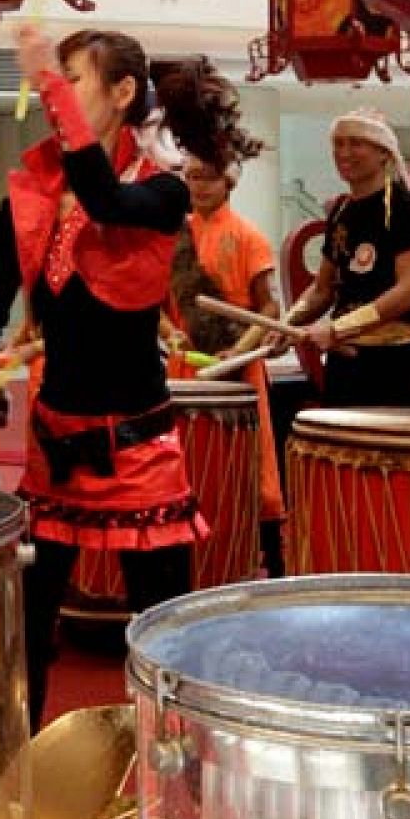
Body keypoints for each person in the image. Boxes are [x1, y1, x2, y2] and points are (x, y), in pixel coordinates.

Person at [0, 25, 262, 728]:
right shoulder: (31, 193)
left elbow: (103, 199)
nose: (52, 93)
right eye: (52, 83)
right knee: (26, 636)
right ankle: (22, 772)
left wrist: (48, 88)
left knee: (162, 645)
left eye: (74, 81)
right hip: (54, 448)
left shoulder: (160, 193)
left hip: (138, 451)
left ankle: (177, 778)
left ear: (123, 93)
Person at [166, 156, 288, 577]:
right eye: (193, 177)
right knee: (184, 468)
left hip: (237, 367)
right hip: (186, 369)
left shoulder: (247, 236)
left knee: (253, 473)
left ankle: (266, 563)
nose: (199, 187)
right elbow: (155, 306)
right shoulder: (174, 236)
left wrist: (238, 351)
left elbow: (269, 305)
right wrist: (170, 335)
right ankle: (189, 558)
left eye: (209, 178)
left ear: (229, 183)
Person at [281, 108, 410, 407]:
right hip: (345, 362)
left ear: (384, 153)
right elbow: (322, 289)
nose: (344, 153)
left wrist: (338, 328)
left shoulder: (408, 209)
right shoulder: (342, 211)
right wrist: (286, 325)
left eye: (356, 143)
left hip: (392, 363)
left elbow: (408, 293)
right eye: (338, 144)